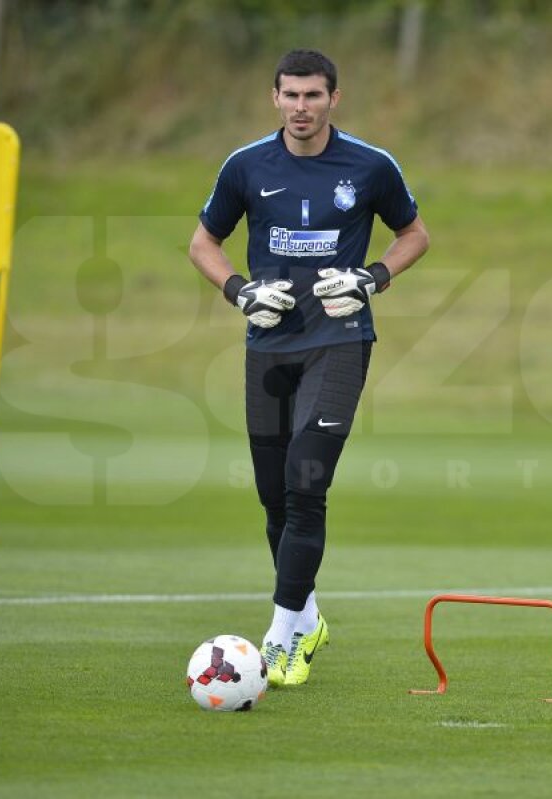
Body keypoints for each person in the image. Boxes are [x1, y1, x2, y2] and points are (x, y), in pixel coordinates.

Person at [188, 49, 429, 688]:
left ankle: (276, 642)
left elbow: (415, 235)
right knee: (274, 497)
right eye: (291, 95)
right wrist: (239, 291)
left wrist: (372, 278)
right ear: (274, 98)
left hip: (339, 341)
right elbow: (202, 243)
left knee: (305, 481)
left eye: (313, 96)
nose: (302, 107)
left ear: (333, 99)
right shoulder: (245, 166)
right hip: (268, 347)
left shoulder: (371, 166)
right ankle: (307, 618)